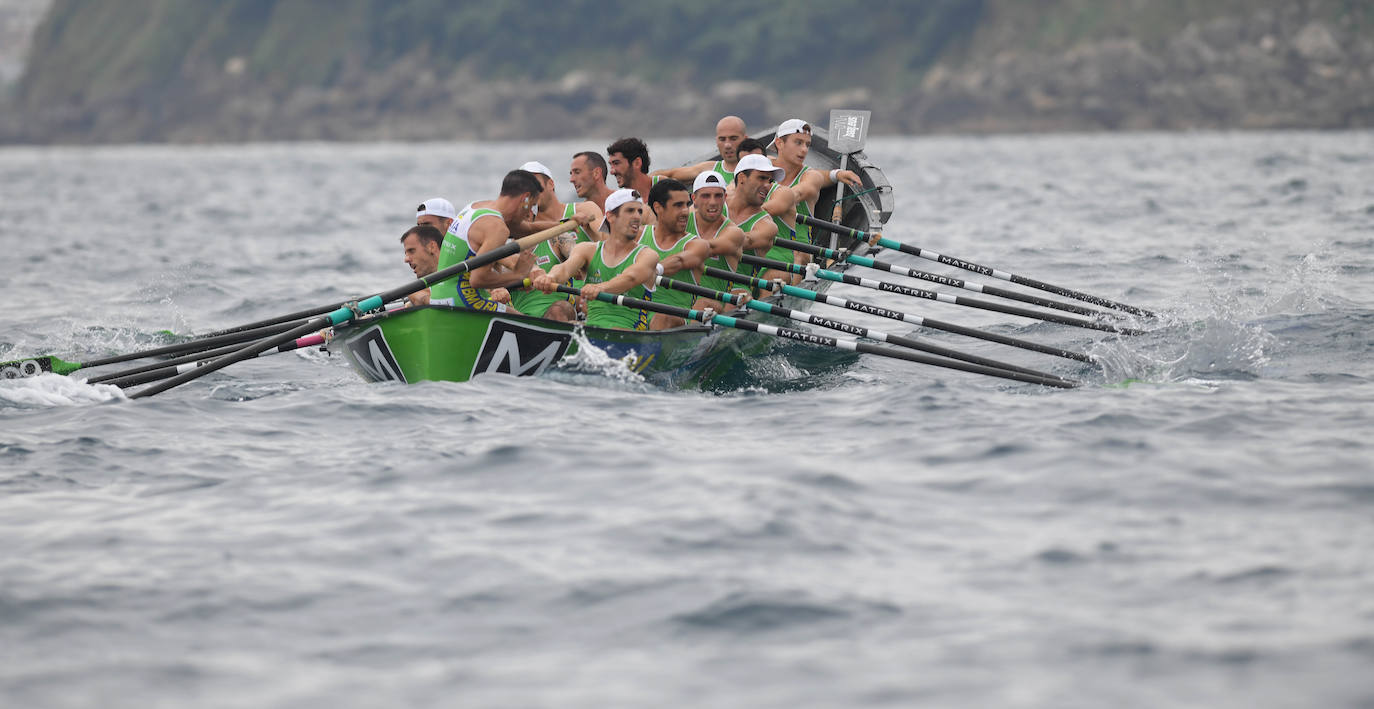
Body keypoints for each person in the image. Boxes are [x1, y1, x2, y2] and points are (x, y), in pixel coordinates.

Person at [531, 188, 659, 330]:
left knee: (612, 331)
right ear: (610, 216)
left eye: (639, 211)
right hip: (593, 328)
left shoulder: (648, 255)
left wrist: (600, 287)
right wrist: (550, 277)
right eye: (630, 211)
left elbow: (630, 278)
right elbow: (565, 269)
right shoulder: (587, 250)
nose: (637, 217)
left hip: (630, 330)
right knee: (567, 326)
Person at [429, 169, 544, 313]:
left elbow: (528, 228)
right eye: (531, 205)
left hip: (438, 298)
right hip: (462, 302)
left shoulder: (475, 207)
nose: (529, 212)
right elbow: (477, 279)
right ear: (525, 198)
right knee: (528, 325)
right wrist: (518, 275)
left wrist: (563, 224)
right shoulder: (497, 228)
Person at [506, 160, 600, 321]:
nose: (522, 221)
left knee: (559, 309)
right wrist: (496, 290)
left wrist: (575, 264)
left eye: (527, 215)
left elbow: (577, 255)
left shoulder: (556, 238)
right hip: (520, 318)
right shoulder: (502, 250)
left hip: (564, 309)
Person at [771, 118, 863, 252]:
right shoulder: (763, 167)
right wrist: (835, 174)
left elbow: (793, 195)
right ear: (779, 143)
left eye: (807, 145)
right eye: (798, 143)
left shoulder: (810, 177)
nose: (804, 150)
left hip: (796, 252)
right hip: (763, 244)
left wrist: (837, 174)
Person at [640, 178, 710, 329]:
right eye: (678, 205)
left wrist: (654, 270)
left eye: (687, 205)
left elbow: (679, 260)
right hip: (634, 312)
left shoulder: (697, 244)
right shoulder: (638, 235)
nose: (685, 211)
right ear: (658, 207)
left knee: (661, 318)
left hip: (674, 318)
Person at [688, 171, 750, 313]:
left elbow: (703, 250)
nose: (713, 202)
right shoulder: (682, 222)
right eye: (705, 196)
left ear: (725, 198)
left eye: (718, 196)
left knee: (701, 304)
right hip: (680, 299)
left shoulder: (733, 233)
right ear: (694, 199)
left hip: (712, 305)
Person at [725, 154, 785, 284]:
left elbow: (739, 242)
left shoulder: (767, 226)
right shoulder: (715, 202)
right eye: (762, 178)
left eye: (770, 181)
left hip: (736, 286)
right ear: (742, 178)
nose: (767, 185)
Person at [649, 115, 747, 185]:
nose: (727, 145)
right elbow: (670, 174)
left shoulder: (758, 171)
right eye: (722, 139)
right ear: (716, 141)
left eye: (733, 138)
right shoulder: (709, 169)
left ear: (745, 139)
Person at [606, 137, 657, 213]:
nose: (612, 172)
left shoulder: (667, 190)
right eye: (611, 165)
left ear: (637, 163)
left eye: (616, 163)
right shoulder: (618, 204)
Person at [399, 224, 444, 306]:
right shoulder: (417, 291)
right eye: (406, 253)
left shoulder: (465, 274)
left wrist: (425, 299)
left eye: (411, 251)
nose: (406, 259)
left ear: (432, 247)